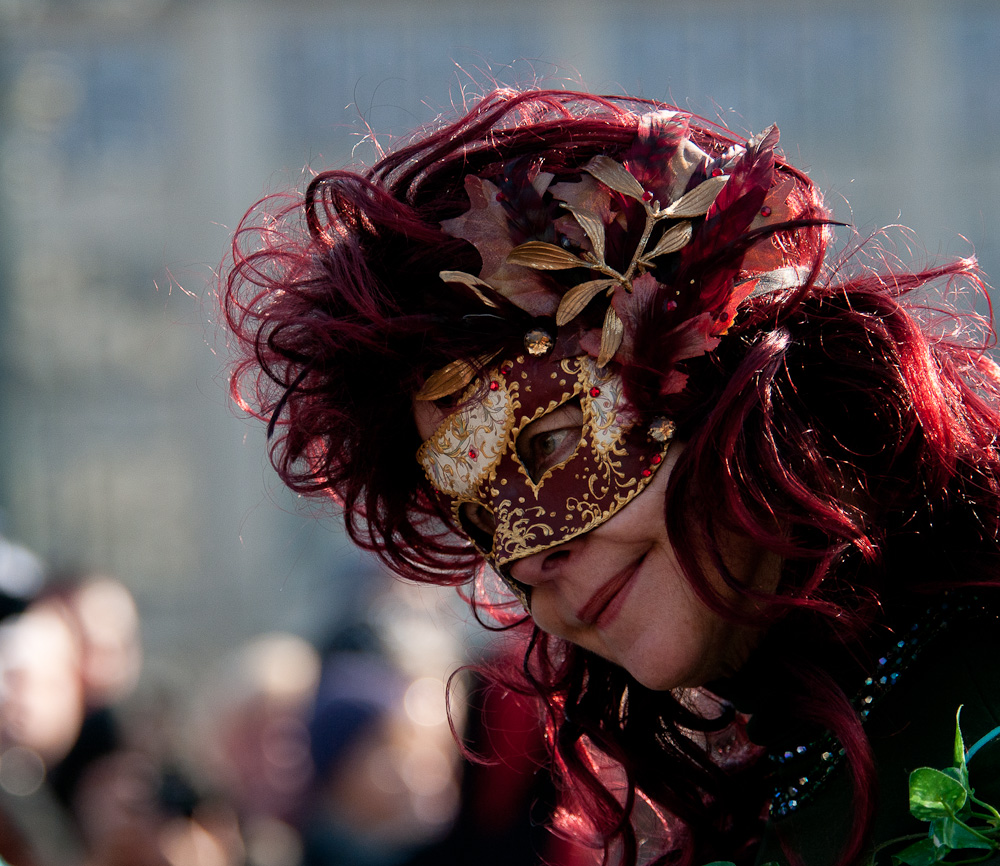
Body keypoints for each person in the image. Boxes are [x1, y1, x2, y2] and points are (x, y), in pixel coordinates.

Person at [221, 88, 1000, 866]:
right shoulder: (773, 785)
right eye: (482, 520)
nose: (527, 560)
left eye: (552, 443)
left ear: (712, 351)